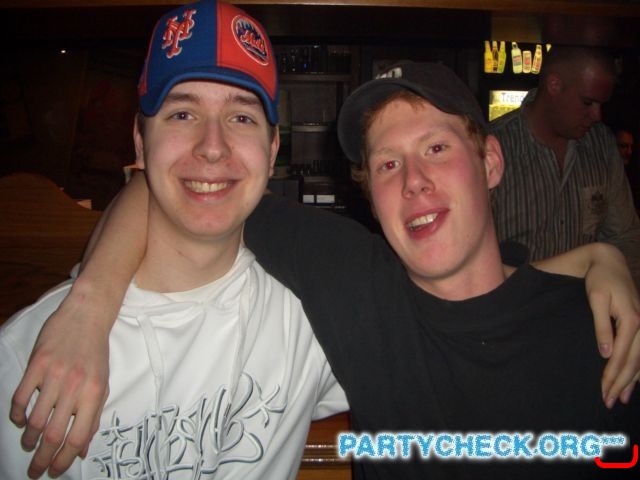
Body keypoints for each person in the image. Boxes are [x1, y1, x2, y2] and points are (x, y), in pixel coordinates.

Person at [10, 58, 640, 478]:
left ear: (491, 163)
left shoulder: (600, 336)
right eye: (387, 163)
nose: (414, 181)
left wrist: (597, 258)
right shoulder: (352, 282)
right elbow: (179, 183)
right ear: (369, 193)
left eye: (436, 148)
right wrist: (89, 305)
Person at [0, 1, 348, 478]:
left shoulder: (308, 323)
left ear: (272, 151)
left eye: (241, 117)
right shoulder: (27, 356)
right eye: (183, 113)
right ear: (140, 143)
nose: (212, 147)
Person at [489, 46, 640, 289]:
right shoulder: (493, 146)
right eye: (588, 102)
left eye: (601, 104)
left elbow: (624, 235)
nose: (597, 115)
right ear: (554, 85)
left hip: (584, 304)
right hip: (514, 305)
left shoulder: (601, 144)